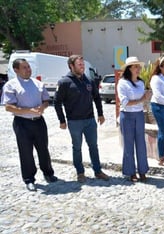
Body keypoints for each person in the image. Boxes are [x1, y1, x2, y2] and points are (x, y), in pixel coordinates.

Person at [2, 58, 58, 191]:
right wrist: (27, 110)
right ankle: (29, 179)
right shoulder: (11, 85)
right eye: (24, 67)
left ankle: (48, 173)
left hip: (38, 121)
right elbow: (8, 107)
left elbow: (46, 100)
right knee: (26, 152)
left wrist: (43, 107)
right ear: (16, 70)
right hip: (22, 123)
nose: (28, 70)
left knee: (43, 149)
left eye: (28, 67)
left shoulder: (38, 83)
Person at [54, 55, 109, 183]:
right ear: (71, 66)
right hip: (74, 122)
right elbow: (57, 102)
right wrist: (62, 120)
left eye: (83, 64)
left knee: (93, 146)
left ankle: (98, 171)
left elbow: (96, 98)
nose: (82, 67)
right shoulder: (64, 82)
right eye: (79, 65)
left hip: (90, 121)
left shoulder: (89, 81)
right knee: (77, 148)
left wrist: (100, 114)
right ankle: (80, 172)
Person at [117, 56, 152, 182]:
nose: (138, 69)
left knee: (141, 143)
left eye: (138, 66)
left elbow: (141, 100)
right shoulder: (122, 83)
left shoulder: (141, 83)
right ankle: (131, 172)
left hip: (139, 114)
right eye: (135, 66)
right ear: (129, 68)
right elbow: (125, 102)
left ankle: (143, 171)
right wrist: (142, 99)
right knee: (128, 144)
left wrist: (145, 98)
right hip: (127, 116)